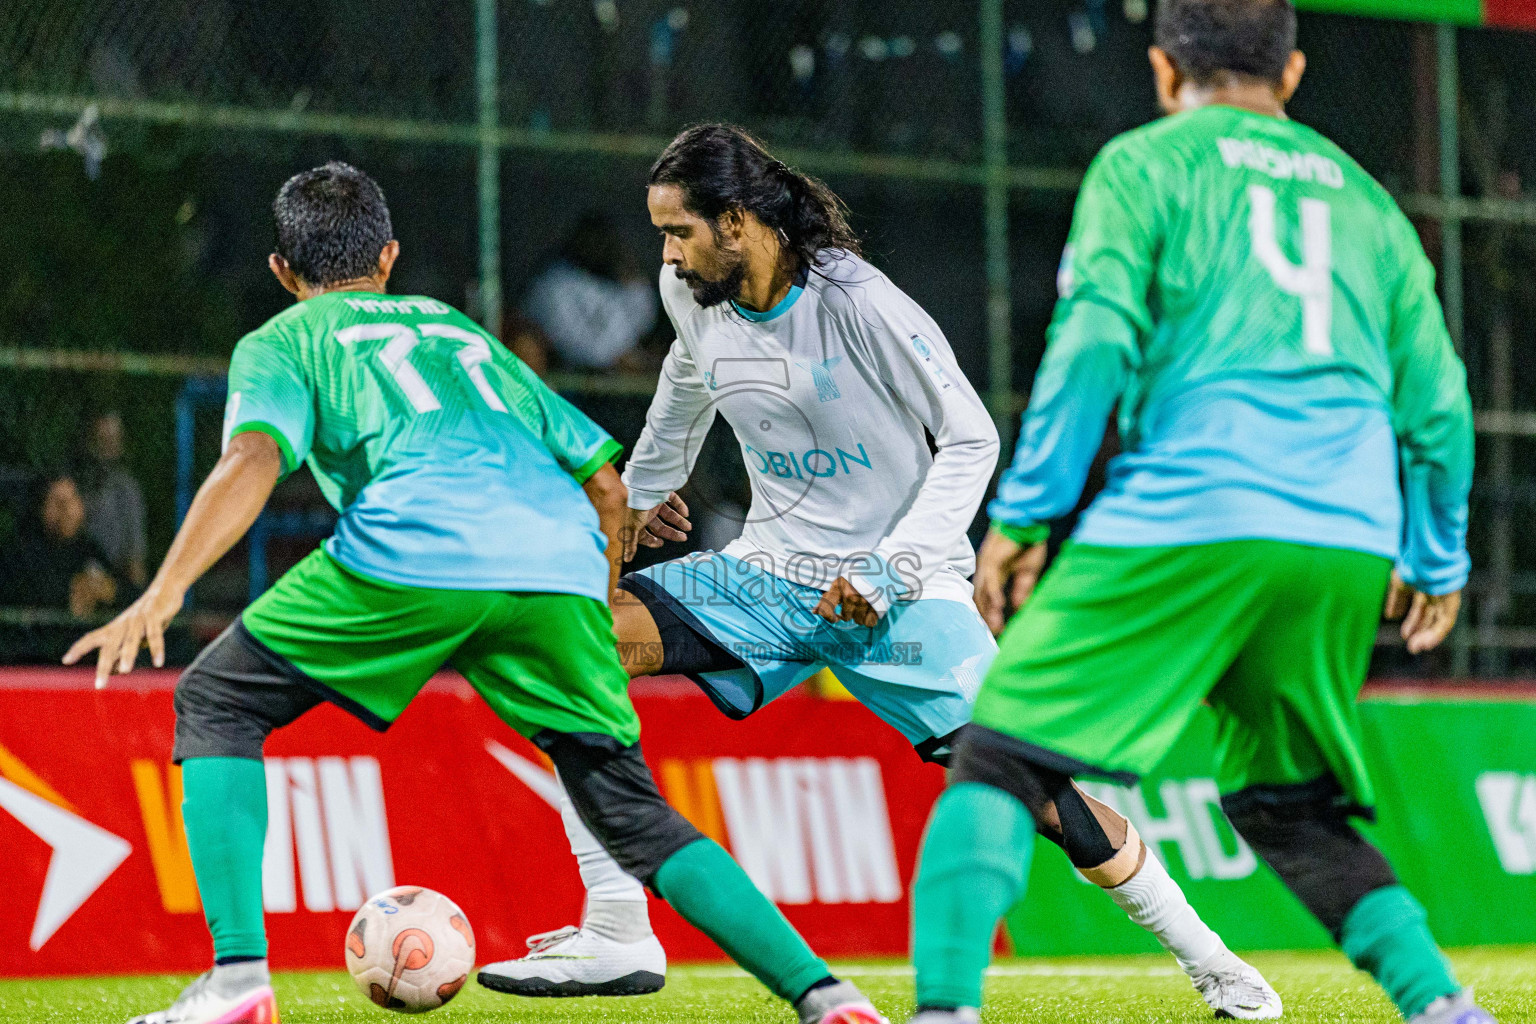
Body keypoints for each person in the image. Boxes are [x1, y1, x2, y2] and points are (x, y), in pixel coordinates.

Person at [478, 124, 1281, 1020]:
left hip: (906, 593)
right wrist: (638, 495)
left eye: (681, 231)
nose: (665, 253)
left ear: (737, 222)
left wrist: (891, 567)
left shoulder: (860, 302)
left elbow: (974, 437)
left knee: (1050, 804)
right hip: (768, 576)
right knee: (567, 645)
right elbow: (688, 380)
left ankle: (1219, 968)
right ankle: (620, 927)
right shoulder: (688, 291)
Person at [66, 161, 883, 1024]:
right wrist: (594, 596)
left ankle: (237, 983)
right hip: (557, 566)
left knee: (218, 701)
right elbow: (607, 485)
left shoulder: (284, 341)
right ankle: (828, 998)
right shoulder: (459, 332)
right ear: (387, 257)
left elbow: (253, 458)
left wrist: (163, 592)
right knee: (631, 811)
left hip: (412, 549)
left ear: (280, 272)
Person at [904, 2, 1486, 1023]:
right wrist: (1435, 554)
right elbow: (1439, 404)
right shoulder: (1369, 205)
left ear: (1166, 71)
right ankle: (1442, 1006)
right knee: (1290, 808)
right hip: (1346, 540)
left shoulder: (1144, 164)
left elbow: (1094, 341)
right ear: (1293, 74)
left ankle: (945, 1010)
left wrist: (1028, 514)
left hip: (1194, 509)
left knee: (1001, 756)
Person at [522, 211, 660, 373]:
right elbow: (572, 343)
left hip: (616, 378)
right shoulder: (553, 283)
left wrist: (632, 282)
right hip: (566, 378)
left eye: (605, 241)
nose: (599, 247)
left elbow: (642, 324)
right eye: (592, 240)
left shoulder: (615, 282)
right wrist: (618, 356)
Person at [0, 472, 118, 618]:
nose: (66, 509)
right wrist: (69, 591)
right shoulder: (19, 552)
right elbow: (22, 592)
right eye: (55, 501)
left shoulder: (88, 548)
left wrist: (111, 590)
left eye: (71, 499)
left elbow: (130, 592)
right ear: (39, 508)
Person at [79, 410, 149, 588]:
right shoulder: (75, 484)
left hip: (114, 579)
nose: (107, 448)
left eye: (113, 440)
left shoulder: (126, 489)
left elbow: (135, 556)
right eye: (101, 440)